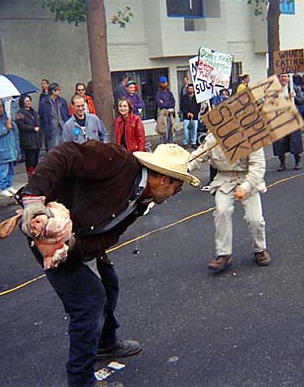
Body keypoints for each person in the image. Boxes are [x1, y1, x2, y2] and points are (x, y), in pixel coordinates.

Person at [18, 141, 199, 387]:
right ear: (163, 180)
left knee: (109, 283)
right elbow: (66, 153)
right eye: (177, 187)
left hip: (77, 238)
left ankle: (105, 343)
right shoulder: (118, 161)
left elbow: (110, 236)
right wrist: (33, 199)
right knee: (89, 302)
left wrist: (74, 245)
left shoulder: (142, 200)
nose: (176, 193)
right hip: (47, 231)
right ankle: (81, 381)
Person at [188, 133, 270, 272]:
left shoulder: (251, 137)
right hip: (224, 179)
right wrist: (184, 169)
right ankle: (223, 253)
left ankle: (260, 249)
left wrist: (246, 187)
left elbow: (258, 166)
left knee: (255, 219)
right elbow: (197, 157)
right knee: (222, 211)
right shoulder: (212, 139)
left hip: (248, 178)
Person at [272, 73, 304, 171]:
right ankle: (282, 163)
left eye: (286, 76)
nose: (284, 78)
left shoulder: (294, 88)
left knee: (295, 141)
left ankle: (297, 161)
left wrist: (295, 97)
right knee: (280, 142)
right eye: (282, 76)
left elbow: (302, 101)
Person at [39, 82, 70, 152]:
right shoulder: (44, 102)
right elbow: (41, 116)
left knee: (64, 148)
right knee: (53, 149)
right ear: (53, 91)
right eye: (58, 90)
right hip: (51, 128)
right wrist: (44, 129)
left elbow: (66, 114)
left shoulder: (62, 101)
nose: (60, 91)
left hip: (63, 127)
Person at [15, 95, 41, 177]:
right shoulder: (20, 113)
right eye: (27, 101)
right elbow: (21, 125)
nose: (29, 102)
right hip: (28, 140)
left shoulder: (34, 112)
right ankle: (30, 175)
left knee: (36, 159)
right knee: (30, 159)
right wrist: (32, 128)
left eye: (29, 100)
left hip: (36, 139)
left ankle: (36, 174)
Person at [155, 76, 176, 144]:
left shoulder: (169, 93)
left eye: (165, 82)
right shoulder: (158, 93)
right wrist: (166, 104)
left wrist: (164, 103)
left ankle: (171, 145)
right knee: (162, 131)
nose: (163, 84)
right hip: (162, 115)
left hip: (170, 115)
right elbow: (160, 104)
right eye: (162, 83)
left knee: (171, 131)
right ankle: (163, 146)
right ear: (160, 84)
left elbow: (173, 103)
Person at [179, 84, 201, 148]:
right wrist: (187, 113)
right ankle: (185, 143)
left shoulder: (197, 98)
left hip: (195, 117)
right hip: (186, 117)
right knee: (186, 131)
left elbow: (198, 107)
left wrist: (193, 114)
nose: (190, 90)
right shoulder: (184, 97)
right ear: (187, 89)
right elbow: (182, 107)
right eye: (189, 89)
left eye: (191, 89)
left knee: (194, 131)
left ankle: (193, 143)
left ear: (193, 90)